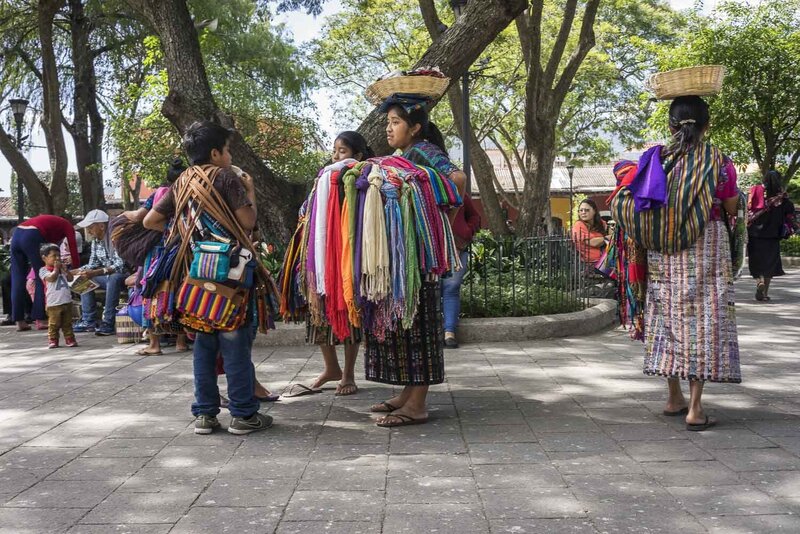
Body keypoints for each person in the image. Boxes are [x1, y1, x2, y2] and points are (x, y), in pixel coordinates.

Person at [612, 95, 741, 432]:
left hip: (663, 247)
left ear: (670, 126)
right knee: (705, 319)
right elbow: (730, 207)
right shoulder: (719, 162)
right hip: (707, 244)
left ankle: (673, 397)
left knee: (666, 314)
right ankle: (695, 408)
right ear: (706, 125)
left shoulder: (657, 159)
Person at [144, 121, 272, 436]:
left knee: (203, 342)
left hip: (194, 271)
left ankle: (205, 414)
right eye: (227, 150)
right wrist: (250, 191)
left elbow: (151, 221)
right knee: (234, 341)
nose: (229, 156)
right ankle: (243, 415)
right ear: (215, 153)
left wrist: (189, 234)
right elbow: (248, 221)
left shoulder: (182, 181)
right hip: (228, 272)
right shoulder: (225, 176)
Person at [367, 95, 466, 427]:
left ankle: (418, 404)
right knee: (409, 324)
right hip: (411, 252)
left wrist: (439, 226)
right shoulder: (406, 155)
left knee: (421, 324)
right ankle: (409, 393)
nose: (389, 128)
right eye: (388, 122)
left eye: (395, 122)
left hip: (421, 254)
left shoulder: (423, 151)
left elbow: (458, 180)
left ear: (415, 128)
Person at [286, 131, 374, 398]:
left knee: (349, 312)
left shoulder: (361, 180)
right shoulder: (324, 178)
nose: (336, 156)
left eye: (343, 151)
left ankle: (348, 374)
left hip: (345, 254)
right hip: (319, 254)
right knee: (319, 313)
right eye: (335, 150)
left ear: (357, 156)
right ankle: (331, 368)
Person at [9, 215, 81, 331]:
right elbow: (73, 247)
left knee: (17, 278)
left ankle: (19, 321)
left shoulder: (53, 224)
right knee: (43, 276)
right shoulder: (67, 226)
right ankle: (41, 319)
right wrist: (77, 268)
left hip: (17, 233)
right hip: (32, 235)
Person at [72, 209, 127, 336]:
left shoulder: (116, 237)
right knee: (83, 278)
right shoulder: (95, 242)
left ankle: (108, 322)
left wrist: (97, 272)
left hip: (124, 276)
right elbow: (93, 264)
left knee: (114, 277)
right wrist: (78, 271)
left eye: (91, 227)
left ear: (102, 226)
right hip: (107, 276)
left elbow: (121, 265)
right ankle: (88, 320)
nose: (88, 231)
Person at [747, 170, 795, 301]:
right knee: (769, 264)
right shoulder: (783, 199)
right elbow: (790, 214)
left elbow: (747, 207)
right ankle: (765, 294)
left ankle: (759, 281)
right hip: (773, 236)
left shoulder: (756, 192)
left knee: (756, 262)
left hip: (754, 234)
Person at [442, 195, 480, 349]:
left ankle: (449, 332)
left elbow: (475, 217)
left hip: (457, 248)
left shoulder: (459, 192)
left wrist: (465, 233)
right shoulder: (425, 189)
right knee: (431, 290)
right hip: (430, 249)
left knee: (451, 287)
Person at [38, 243, 78, 349]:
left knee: (67, 323)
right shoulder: (43, 270)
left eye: (58, 256)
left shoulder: (62, 269)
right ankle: (53, 340)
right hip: (53, 303)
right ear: (44, 258)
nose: (57, 258)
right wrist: (56, 269)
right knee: (54, 323)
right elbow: (51, 278)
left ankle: (69, 338)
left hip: (66, 300)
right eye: (53, 256)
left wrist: (66, 270)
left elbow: (70, 279)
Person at [571, 199, 608, 264]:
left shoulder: (601, 223)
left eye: (586, 210)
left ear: (594, 211)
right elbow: (593, 243)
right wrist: (606, 238)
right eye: (581, 210)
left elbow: (614, 234)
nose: (583, 212)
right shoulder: (578, 225)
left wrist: (604, 239)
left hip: (604, 261)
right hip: (587, 264)